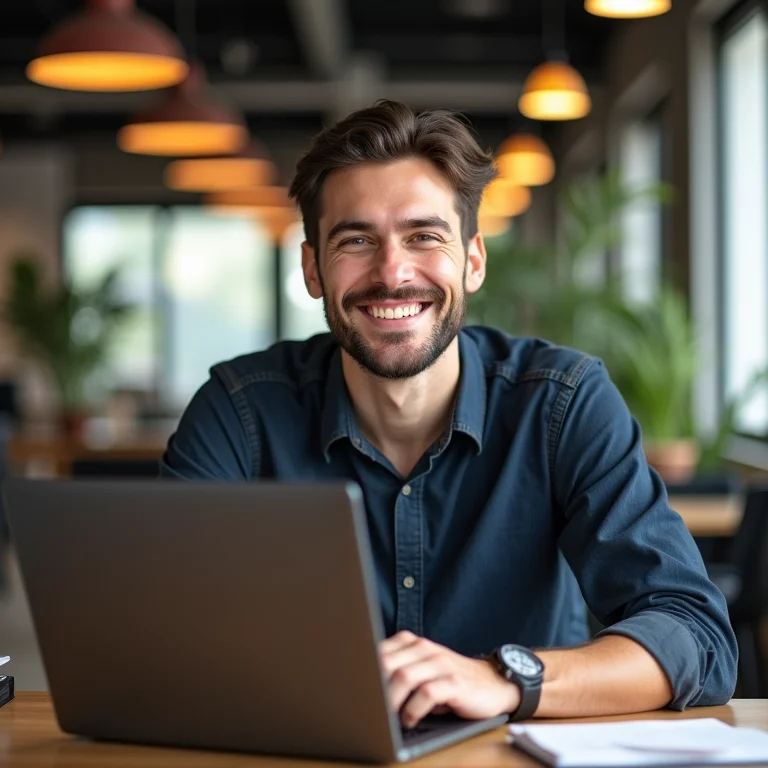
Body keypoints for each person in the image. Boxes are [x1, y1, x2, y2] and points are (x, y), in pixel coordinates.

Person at [161, 100, 737, 726]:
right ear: (311, 269)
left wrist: (505, 678)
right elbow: (151, 628)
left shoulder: (562, 402)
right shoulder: (239, 409)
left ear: (473, 260)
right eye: (356, 240)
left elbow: (695, 636)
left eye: (424, 236)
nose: (392, 272)